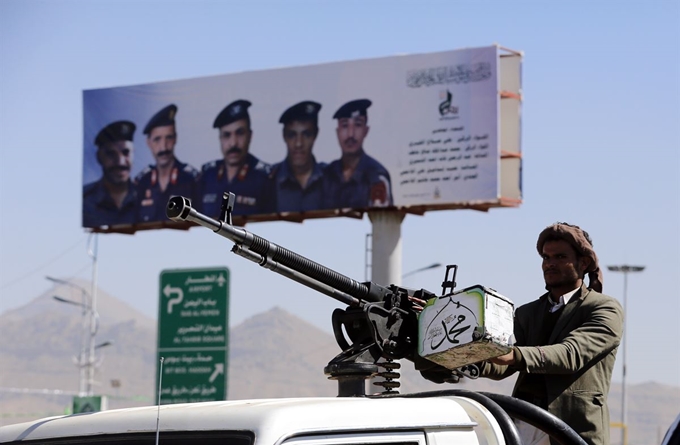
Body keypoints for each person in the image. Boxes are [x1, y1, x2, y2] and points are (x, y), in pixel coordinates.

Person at [419, 222, 623, 445]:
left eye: (560, 257)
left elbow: (570, 354)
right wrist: (457, 357)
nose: (550, 264)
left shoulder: (604, 308)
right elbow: (501, 365)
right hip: (525, 422)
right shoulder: (528, 313)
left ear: (583, 263)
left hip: (571, 429)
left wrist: (513, 354)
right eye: (546, 258)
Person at [198, 99, 271, 217]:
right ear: (220, 139)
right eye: (226, 135)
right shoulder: (208, 176)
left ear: (250, 136)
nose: (233, 143)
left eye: (240, 133)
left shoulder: (265, 179)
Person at [323, 99, 392, 209]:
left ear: (366, 130)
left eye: (358, 124)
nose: (351, 134)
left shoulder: (376, 176)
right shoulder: (327, 174)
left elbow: (382, 219)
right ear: (337, 132)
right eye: (345, 125)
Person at [135, 104, 199, 223]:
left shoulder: (191, 179)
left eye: (168, 138)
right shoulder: (142, 183)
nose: (163, 147)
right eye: (157, 139)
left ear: (175, 138)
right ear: (148, 143)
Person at [266, 100, 326, 213]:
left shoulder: (331, 179)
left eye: (306, 134)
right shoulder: (269, 181)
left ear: (316, 134)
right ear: (284, 135)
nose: (299, 143)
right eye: (292, 135)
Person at [83, 120, 137, 228]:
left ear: (133, 154)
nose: (120, 162)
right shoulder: (83, 200)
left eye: (126, 153)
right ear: (99, 157)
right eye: (111, 154)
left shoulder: (150, 196)